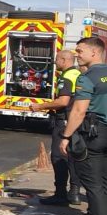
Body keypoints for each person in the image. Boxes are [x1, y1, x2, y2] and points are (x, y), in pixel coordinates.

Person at [58, 37, 107, 215]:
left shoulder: (87, 78)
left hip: (93, 135)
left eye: (80, 51)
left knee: (94, 185)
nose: (76, 55)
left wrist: (65, 137)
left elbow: (79, 110)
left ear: (94, 53)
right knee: (106, 182)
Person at [29, 50, 82, 205]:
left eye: (57, 59)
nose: (55, 62)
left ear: (64, 60)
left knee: (59, 157)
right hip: (76, 122)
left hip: (64, 121)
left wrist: (40, 106)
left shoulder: (66, 77)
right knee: (74, 158)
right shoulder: (78, 75)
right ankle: (75, 193)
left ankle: (60, 195)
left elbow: (63, 101)